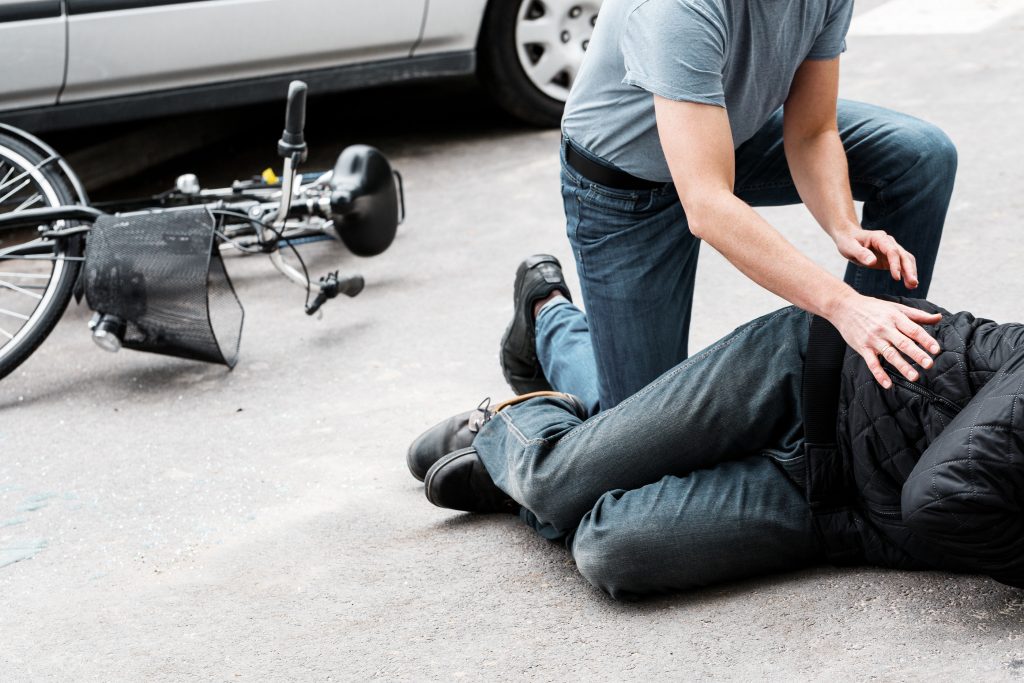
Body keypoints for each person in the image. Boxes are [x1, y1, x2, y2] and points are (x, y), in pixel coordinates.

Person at [409, 274, 1024, 600]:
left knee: (609, 550)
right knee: (554, 477)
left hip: (842, 512)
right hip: (809, 376)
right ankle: (520, 405)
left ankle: (535, 471)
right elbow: (945, 495)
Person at [500, 0, 958, 414]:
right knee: (636, 430)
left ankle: (855, 394)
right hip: (624, 188)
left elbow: (812, 131)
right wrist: (843, 305)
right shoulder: (676, 9)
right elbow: (708, 205)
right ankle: (548, 316)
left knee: (920, 154)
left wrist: (843, 225)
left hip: (727, 135)